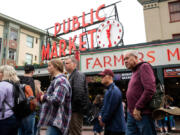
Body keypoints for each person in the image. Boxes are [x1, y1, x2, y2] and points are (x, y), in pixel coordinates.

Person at [124, 50, 157, 135]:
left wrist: (138, 107)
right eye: (124, 59)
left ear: (135, 57)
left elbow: (150, 89)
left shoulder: (144, 66)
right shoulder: (134, 72)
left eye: (127, 58)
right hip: (132, 114)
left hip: (142, 114)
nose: (125, 61)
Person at [38, 59, 71, 135]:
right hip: (56, 119)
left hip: (57, 120)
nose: (47, 68)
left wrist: (44, 97)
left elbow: (57, 99)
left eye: (49, 65)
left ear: (56, 67)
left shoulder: (60, 80)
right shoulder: (59, 80)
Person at [65, 57, 89, 135]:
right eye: (64, 63)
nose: (65, 65)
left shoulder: (78, 74)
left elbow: (78, 93)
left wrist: (73, 108)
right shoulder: (71, 75)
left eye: (67, 63)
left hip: (75, 110)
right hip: (73, 110)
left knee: (75, 132)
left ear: (74, 65)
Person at [98, 69, 126, 135]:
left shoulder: (114, 90)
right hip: (111, 127)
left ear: (110, 77)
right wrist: (100, 115)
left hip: (116, 128)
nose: (101, 78)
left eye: (103, 76)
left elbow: (110, 109)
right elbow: (105, 106)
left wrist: (103, 120)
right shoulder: (109, 90)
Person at [0, 65, 20, 135]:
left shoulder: (2, 85)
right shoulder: (14, 85)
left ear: (3, 73)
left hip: (3, 119)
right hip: (14, 117)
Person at [18, 64, 36, 135]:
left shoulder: (18, 79)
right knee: (29, 132)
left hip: (19, 110)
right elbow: (31, 97)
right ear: (33, 72)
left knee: (20, 132)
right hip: (29, 110)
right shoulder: (31, 80)